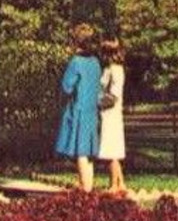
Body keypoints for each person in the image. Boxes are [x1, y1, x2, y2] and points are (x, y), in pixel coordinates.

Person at [53, 23, 102, 192]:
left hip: (79, 110)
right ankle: (88, 187)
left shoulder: (76, 62)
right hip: (92, 111)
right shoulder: (96, 62)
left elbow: (67, 86)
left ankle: (84, 190)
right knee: (88, 153)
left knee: (80, 151)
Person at [97, 38, 129, 195]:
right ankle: (121, 182)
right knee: (113, 149)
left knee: (111, 151)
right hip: (109, 113)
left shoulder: (115, 70)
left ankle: (114, 184)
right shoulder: (112, 68)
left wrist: (98, 102)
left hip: (111, 113)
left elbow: (113, 96)